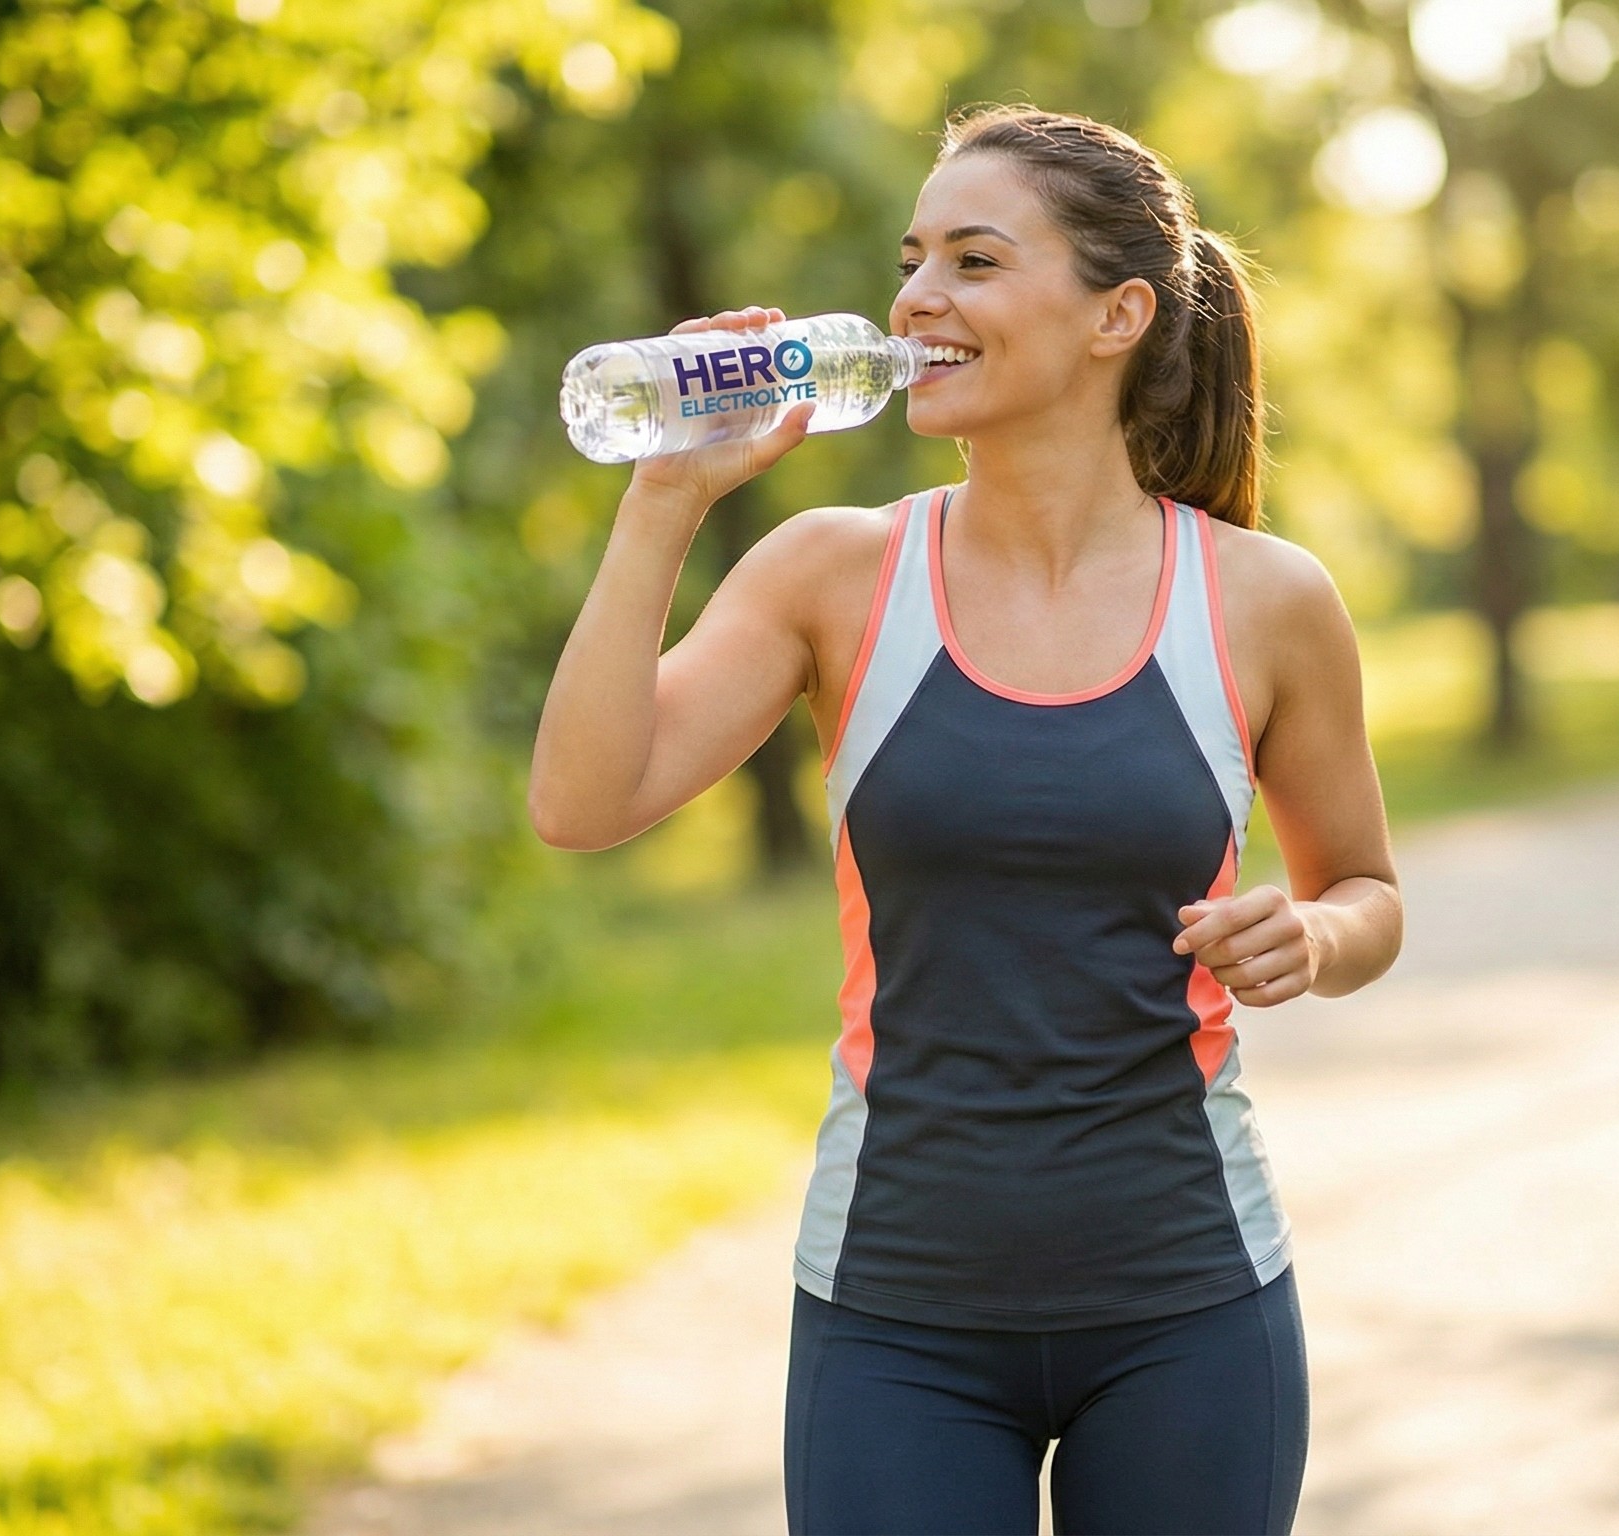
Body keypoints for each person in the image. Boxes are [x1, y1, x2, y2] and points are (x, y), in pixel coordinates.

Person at [527, 104, 1403, 1536]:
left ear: (1119, 312)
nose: (917, 298)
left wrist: (1311, 930)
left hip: (1189, 1305)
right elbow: (579, 801)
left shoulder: (1266, 599)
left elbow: (1369, 889)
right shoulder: (834, 571)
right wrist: (666, 498)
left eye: (975, 261)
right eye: (913, 257)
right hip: (895, 1317)